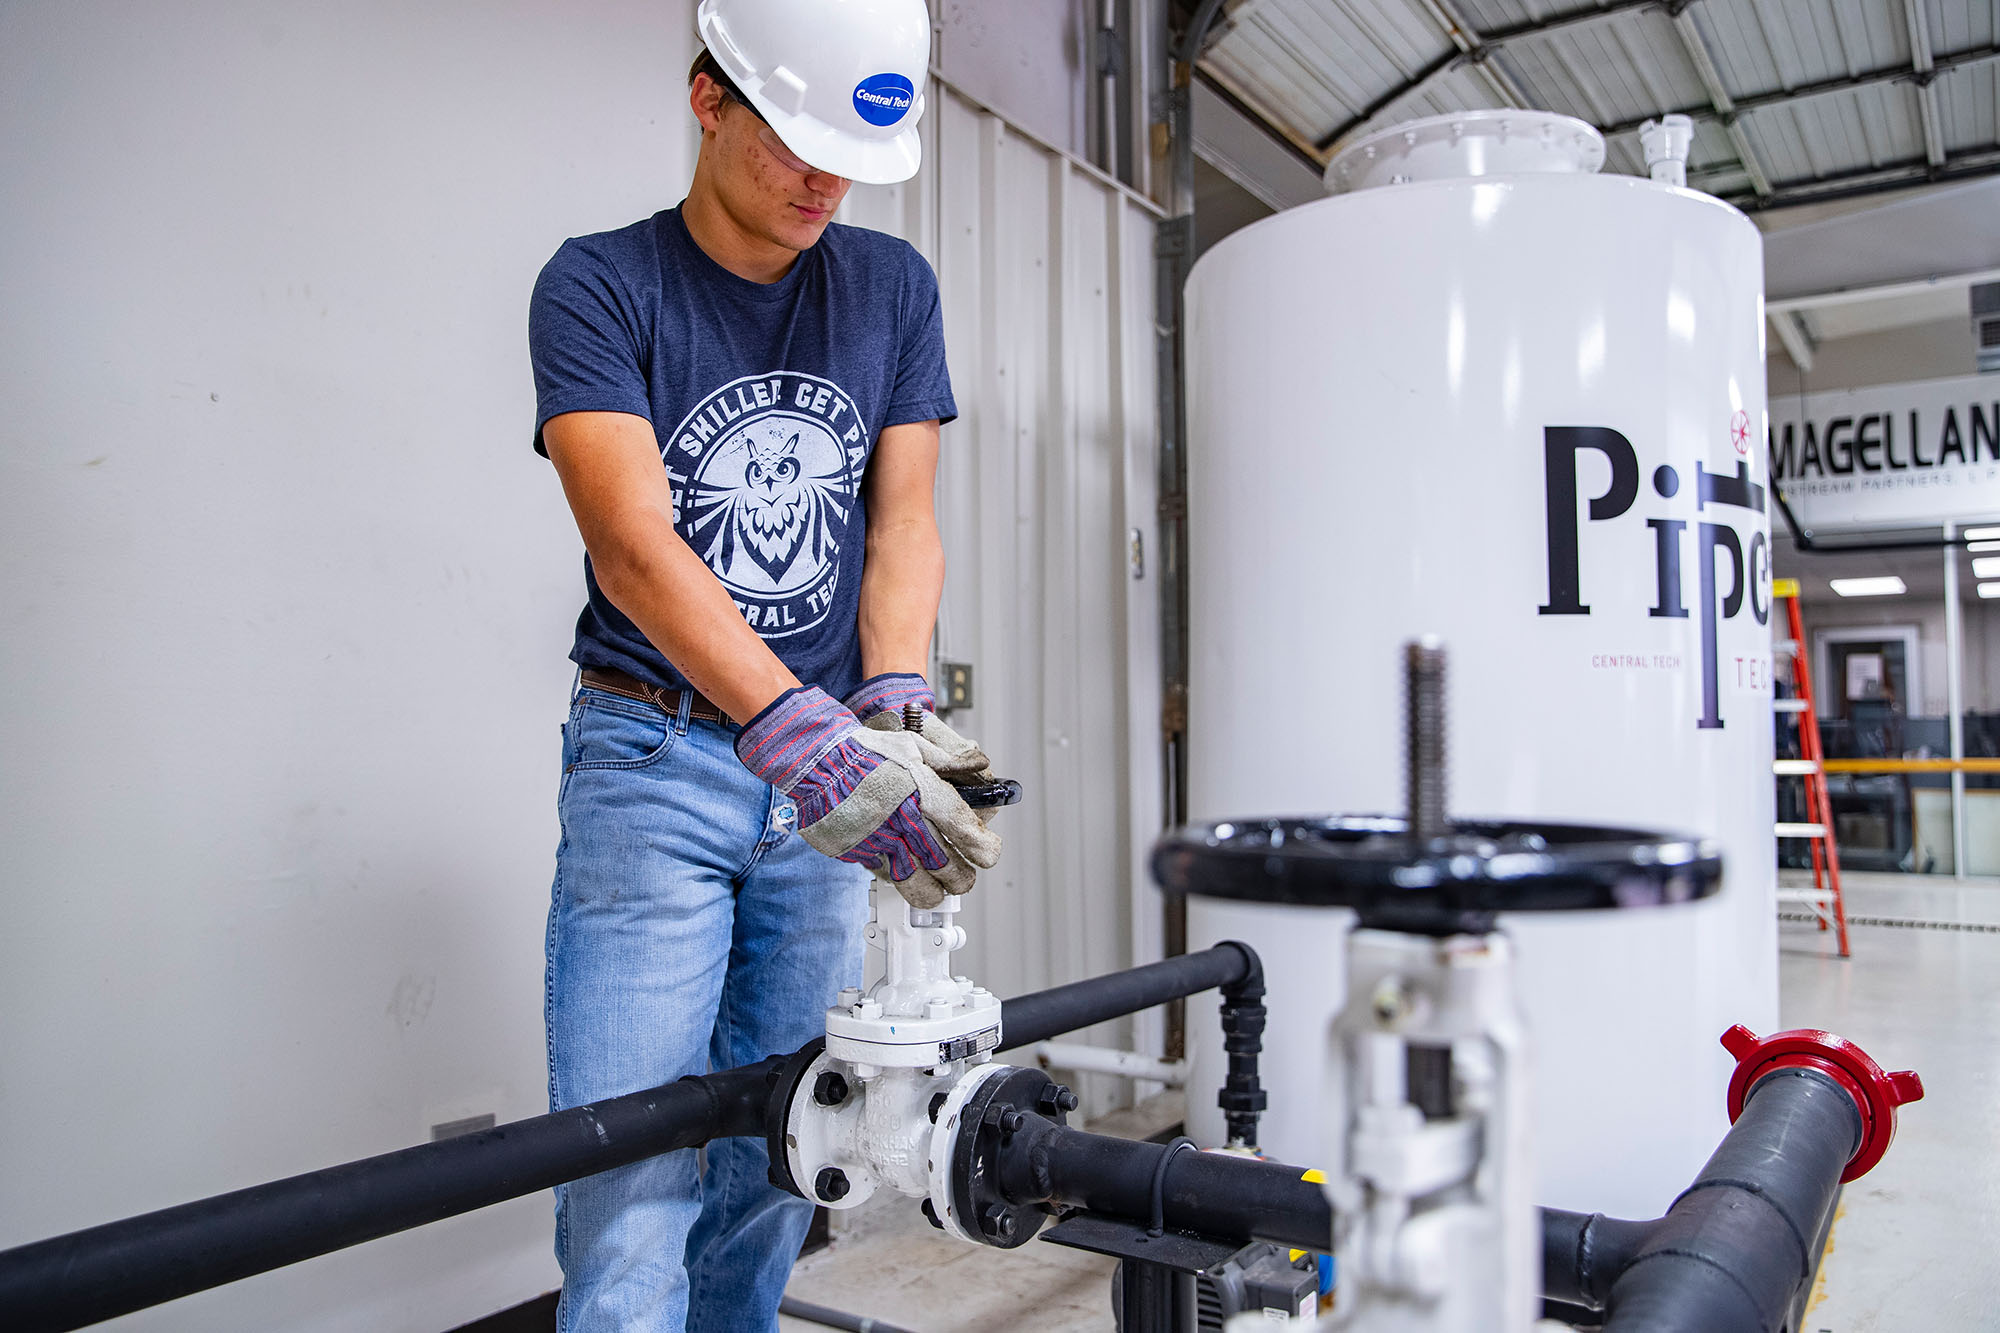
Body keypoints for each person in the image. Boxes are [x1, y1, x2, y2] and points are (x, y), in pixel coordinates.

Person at [526, 1, 1000, 1328]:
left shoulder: (892, 289)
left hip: (825, 781)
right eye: (796, 140)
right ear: (707, 98)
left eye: (846, 155)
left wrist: (891, 696)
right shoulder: (600, 283)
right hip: (654, 763)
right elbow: (632, 544)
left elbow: (901, 516)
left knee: (782, 1160)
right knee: (629, 1187)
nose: (821, 183)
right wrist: (789, 718)